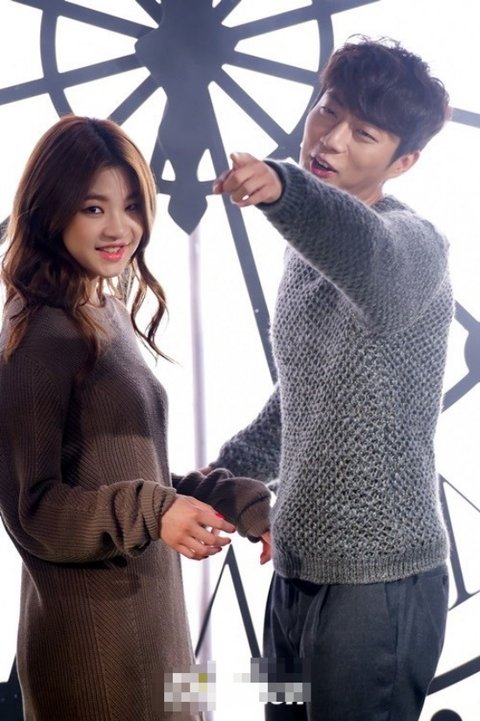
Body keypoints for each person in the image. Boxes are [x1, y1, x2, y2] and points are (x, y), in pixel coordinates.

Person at [208, 37, 453, 721]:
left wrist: (286, 188)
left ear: (403, 161)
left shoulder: (415, 246)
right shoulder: (306, 253)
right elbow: (309, 390)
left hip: (378, 587)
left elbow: (371, 256)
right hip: (294, 574)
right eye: (328, 110)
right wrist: (224, 472)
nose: (332, 139)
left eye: (364, 133)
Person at [0, 114, 271, 721]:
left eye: (131, 206)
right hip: (93, 663)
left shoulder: (105, 308)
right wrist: (153, 509)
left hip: (153, 639)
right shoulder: (36, 336)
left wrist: (237, 501)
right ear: (51, 212)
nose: (120, 228)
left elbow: (128, 473)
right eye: (93, 208)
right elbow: (33, 511)